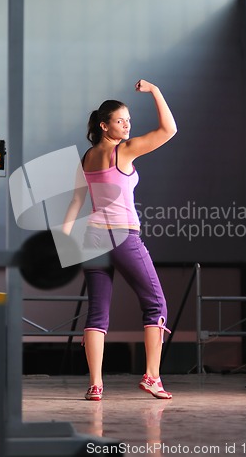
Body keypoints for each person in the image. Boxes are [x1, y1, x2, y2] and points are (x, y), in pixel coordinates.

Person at [62, 79, 177, 401]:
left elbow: (75, 202)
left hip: (91, 239)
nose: (127, 125)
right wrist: (156, 91)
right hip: (122, 235)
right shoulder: (122, 151)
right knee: (156, 304)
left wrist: (64, 239)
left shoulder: (86, 156)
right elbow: (169, 130)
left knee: (97, 312)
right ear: (104, 125)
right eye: (120, 120)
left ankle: (95, 385)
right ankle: (152, 377)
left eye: (128, 120)